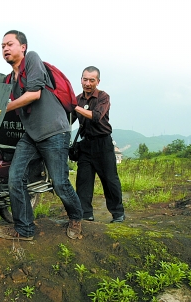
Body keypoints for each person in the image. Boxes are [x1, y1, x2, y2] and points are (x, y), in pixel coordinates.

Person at [0, 30, 83, 240]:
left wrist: (3, 108)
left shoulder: (32, 59)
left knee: (60, 183)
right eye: (2, 46)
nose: (5, 48)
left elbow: (35, 93)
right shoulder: (10, 79)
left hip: (54, 131)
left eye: (10, 44)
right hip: (32, 135)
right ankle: (24, 229)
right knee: (15, 179)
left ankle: (76, 218)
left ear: (22, 47)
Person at [73, 66, 125, 223]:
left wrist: (74, 107)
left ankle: (118, 213)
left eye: (91, 80)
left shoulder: (103, 97)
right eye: (85, 79)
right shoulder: (78, 99)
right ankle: (85, 214)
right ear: (81, 79)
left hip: (103, 143)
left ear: (98, 81)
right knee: (83, 181)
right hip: (86, 144)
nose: (87, 83)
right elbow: (68, 118)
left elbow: (95, 116)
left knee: (110, 180)